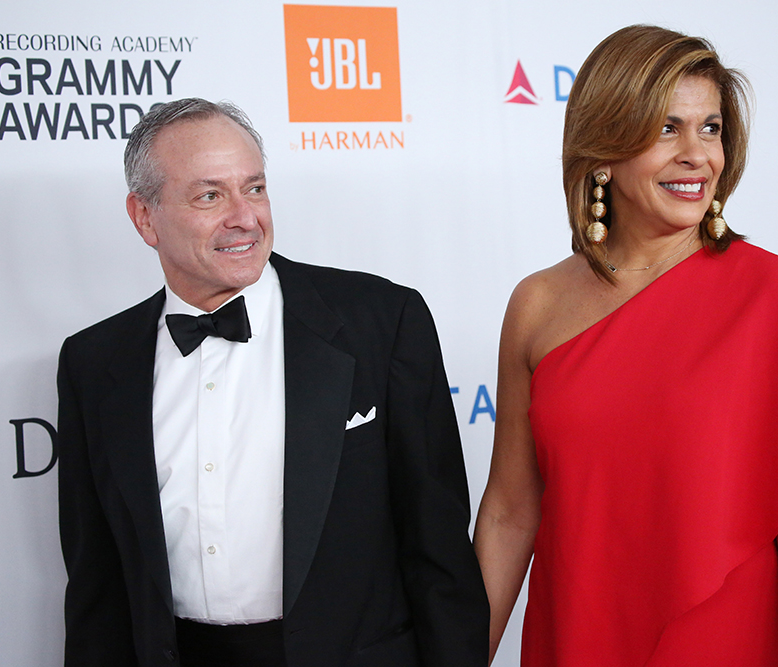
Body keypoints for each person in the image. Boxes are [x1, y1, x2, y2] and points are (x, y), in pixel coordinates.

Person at [473, 25, 778, 667]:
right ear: (603, 149)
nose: (697, 154)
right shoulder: (538, 304)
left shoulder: (776, 299)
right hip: (578, 641)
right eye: (667, 128)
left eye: (711, 128)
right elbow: (508, 513)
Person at [57, 98, 489, 667]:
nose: (244, 216)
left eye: (254, 188)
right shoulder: (94, 362)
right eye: (210, 195)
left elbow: (439, 554)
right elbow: (97, 585)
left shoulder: (380, 322)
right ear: (144, 218)